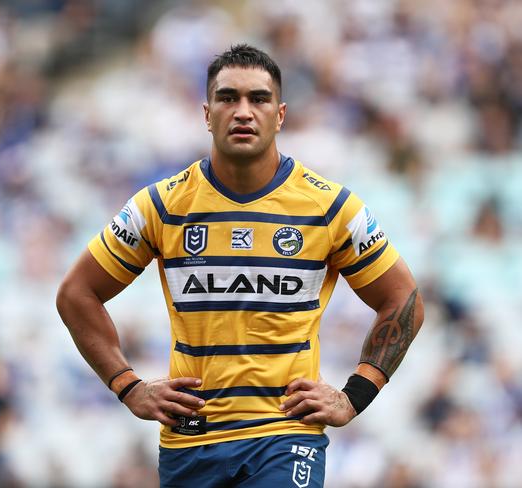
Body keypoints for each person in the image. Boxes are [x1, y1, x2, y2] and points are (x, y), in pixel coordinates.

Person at [56, 44, 424, 487]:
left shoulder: (330, 207)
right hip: (191, 441)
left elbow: (404, 299)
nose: (243, 111)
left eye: (259, 99)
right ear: (207, 114)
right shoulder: (160, 205)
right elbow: (76, 294)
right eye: (228, 98)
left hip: (284, 436)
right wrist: (128, 386)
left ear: (281, 115)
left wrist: (355, 394)